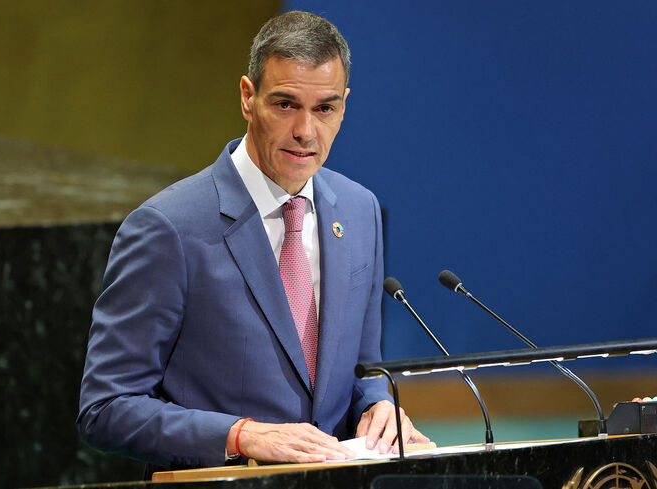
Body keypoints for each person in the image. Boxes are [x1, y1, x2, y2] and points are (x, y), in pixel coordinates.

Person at [77, 10, 428, 470]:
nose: (305, 131)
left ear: (344, 106)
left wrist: (377, 405)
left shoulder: (360, 211)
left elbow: (364, 370)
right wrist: (240, 435)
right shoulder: (167, 228)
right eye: (285, 105)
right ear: (248, 97)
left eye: (324, 109)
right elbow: (106, 408)